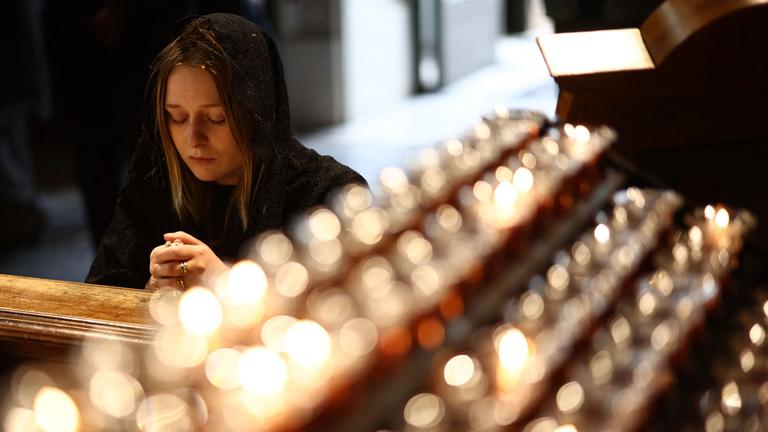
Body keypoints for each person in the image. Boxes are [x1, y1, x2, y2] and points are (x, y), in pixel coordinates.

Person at [86, 13, 365, 289]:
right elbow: (100, 294)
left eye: (217, 118)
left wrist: (227, 283)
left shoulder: (330, 194)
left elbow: (353, 313)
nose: (194, 139)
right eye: (178, 117)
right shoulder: (154, 183)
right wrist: (152, 288)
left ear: (257, 115)